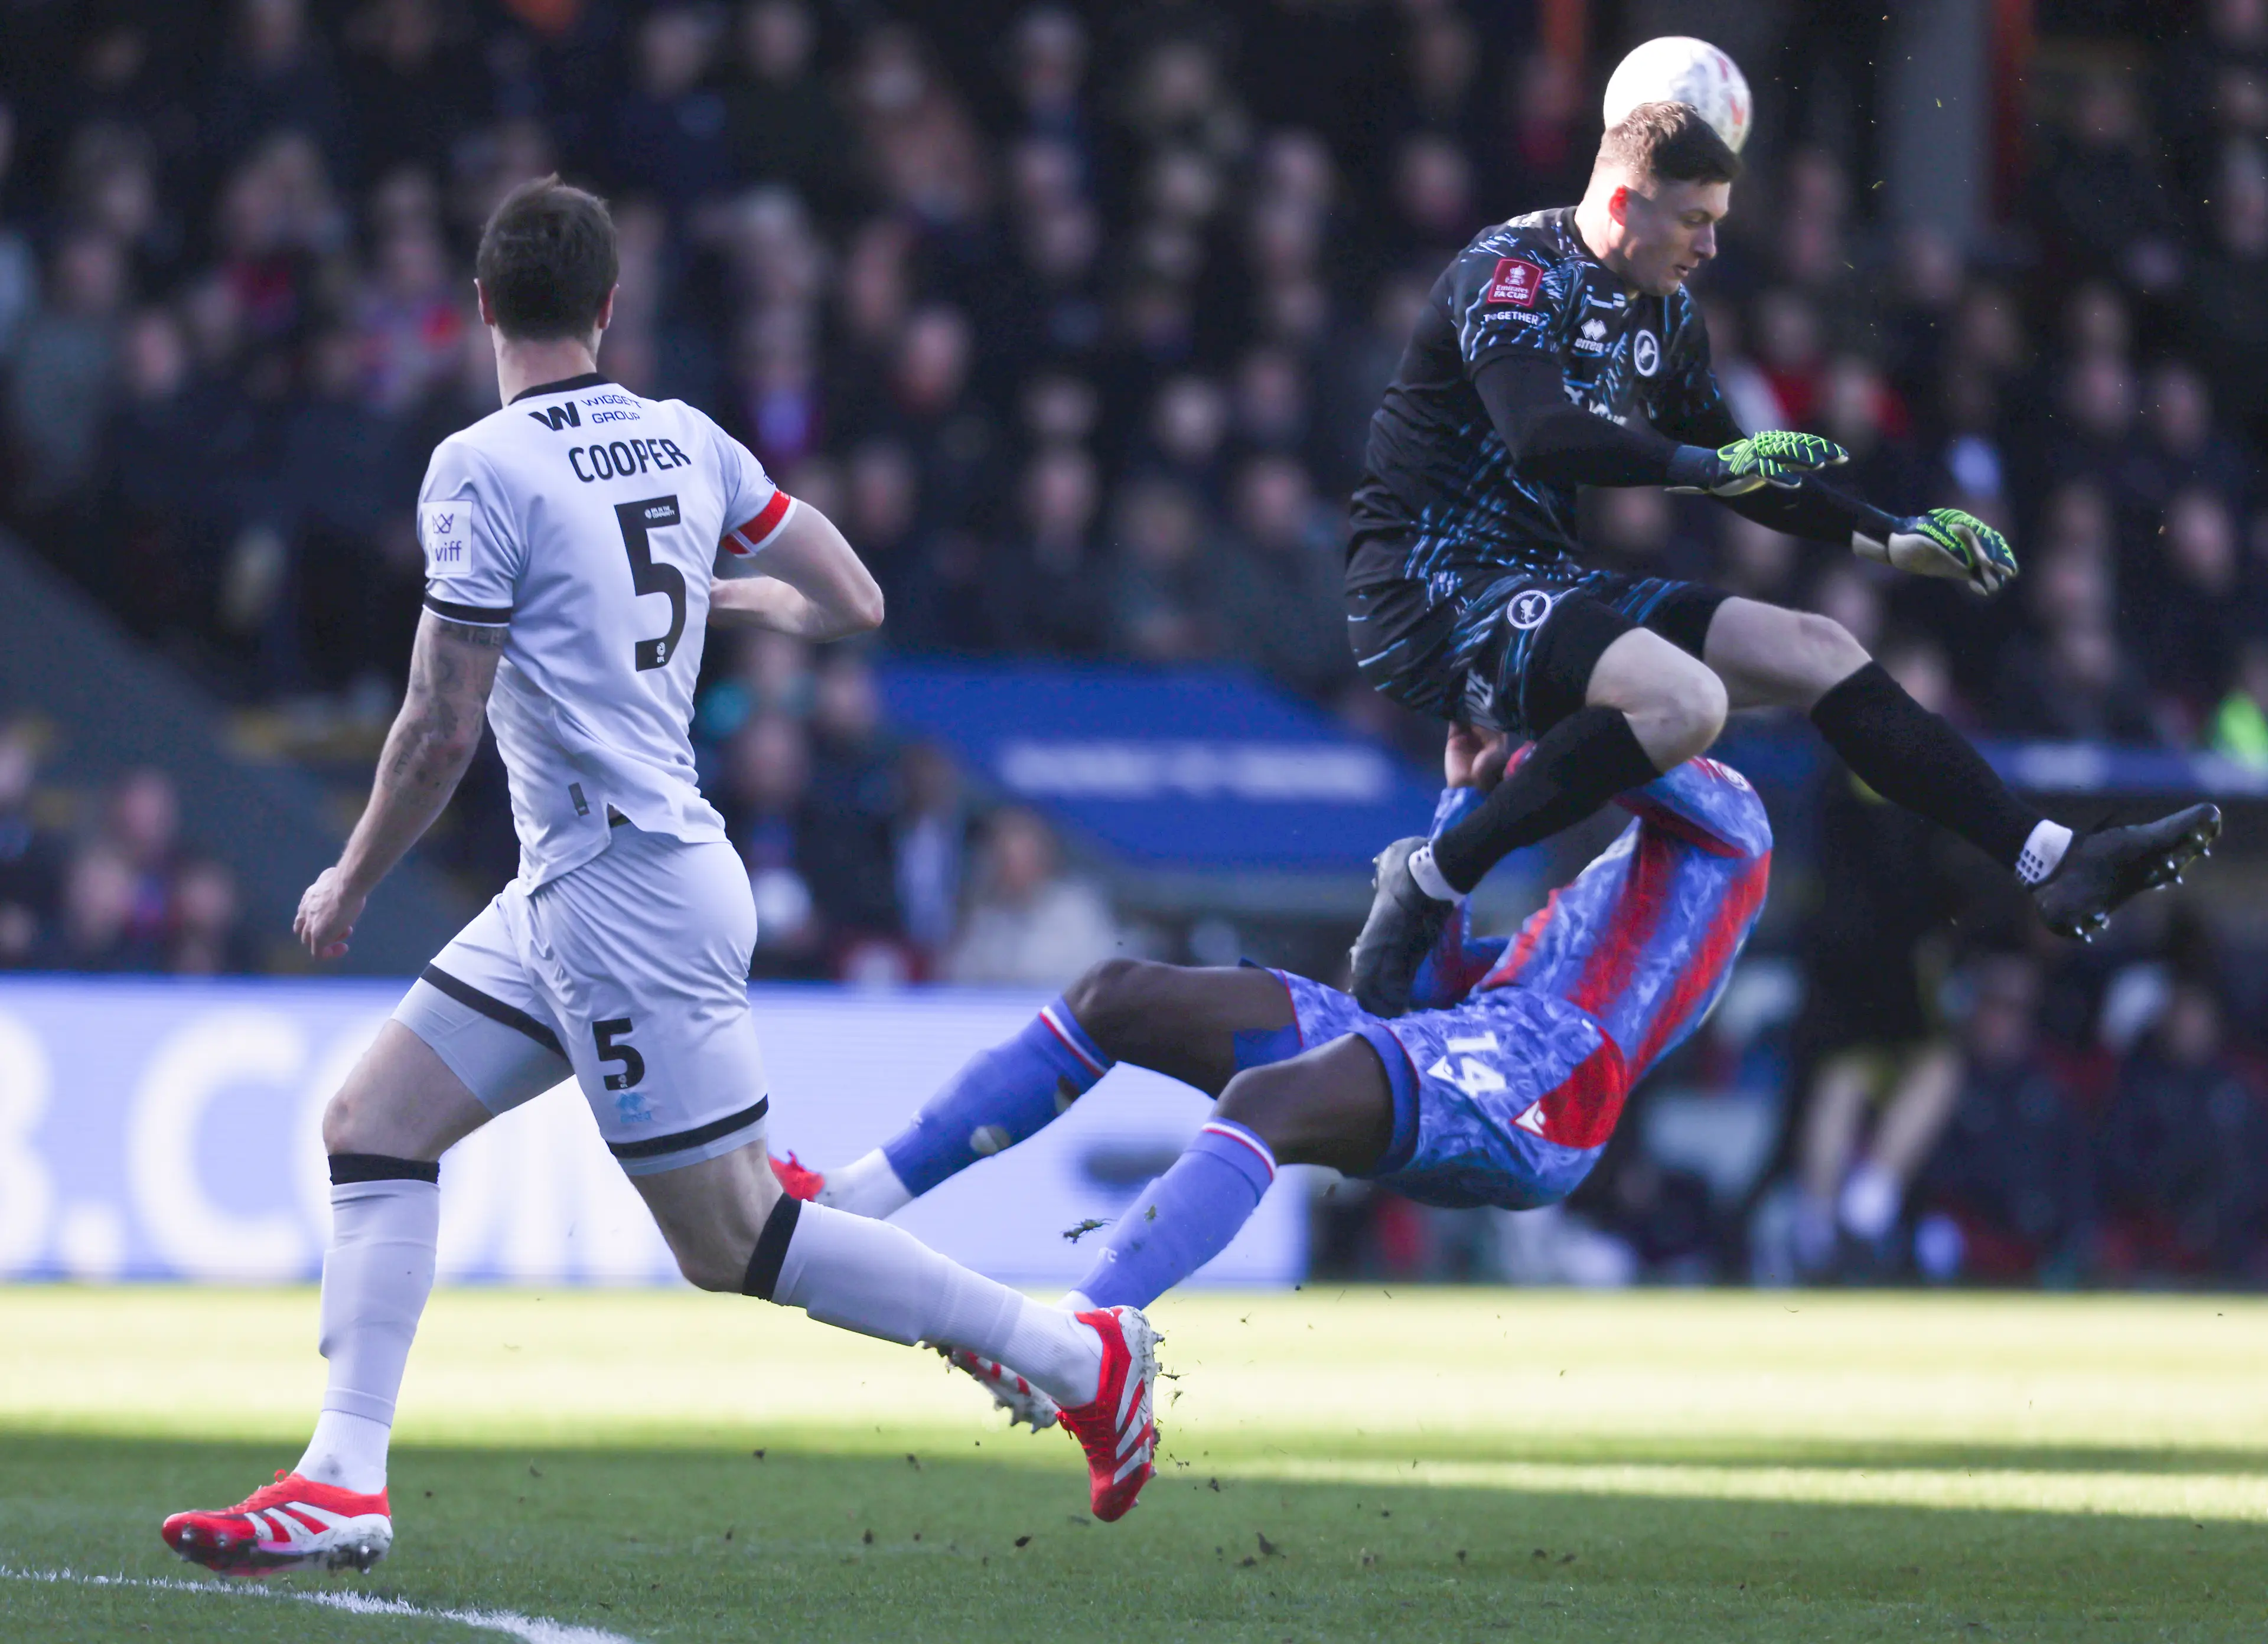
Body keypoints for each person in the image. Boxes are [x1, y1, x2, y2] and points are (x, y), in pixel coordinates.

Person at [158, 178, 1159, 1579]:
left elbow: (443, 719)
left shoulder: (481, 466)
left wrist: (351, 874)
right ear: (610, 307)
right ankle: (343, 1476)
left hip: (624, 893)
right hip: (580, 883)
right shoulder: (683, 438)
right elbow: (858, 601)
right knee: (374, 1124)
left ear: (484, 306)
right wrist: (733, 593)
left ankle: (1077, 1354)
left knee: (739, 1240)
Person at [1340, 100, 2219, 1016]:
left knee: (1818, 647)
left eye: (1719, 222)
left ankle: (2050, 858)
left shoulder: (1667, 314)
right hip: (1428, 589)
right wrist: (1707, 467)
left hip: (1539, 579)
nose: (1712, 247)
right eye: (1696, 220)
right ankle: (1433, 881)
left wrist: (1887, 533)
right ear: (1626, 204)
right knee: (1688, 701)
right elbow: (1542, 437)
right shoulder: (1511, 269)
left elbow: (1739, 469)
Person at [773, 729, 1771, 1423]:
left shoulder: (1734, 815)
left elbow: (1598, 745)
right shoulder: (1615, 875)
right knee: (1120, 993)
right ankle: (857, 1199)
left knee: (1267, 1104)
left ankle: (1083, 1345)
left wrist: (1512, 715)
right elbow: (1414, 985)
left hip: (1554, 1077)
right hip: (1490, 1041)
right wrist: (1463, 798)